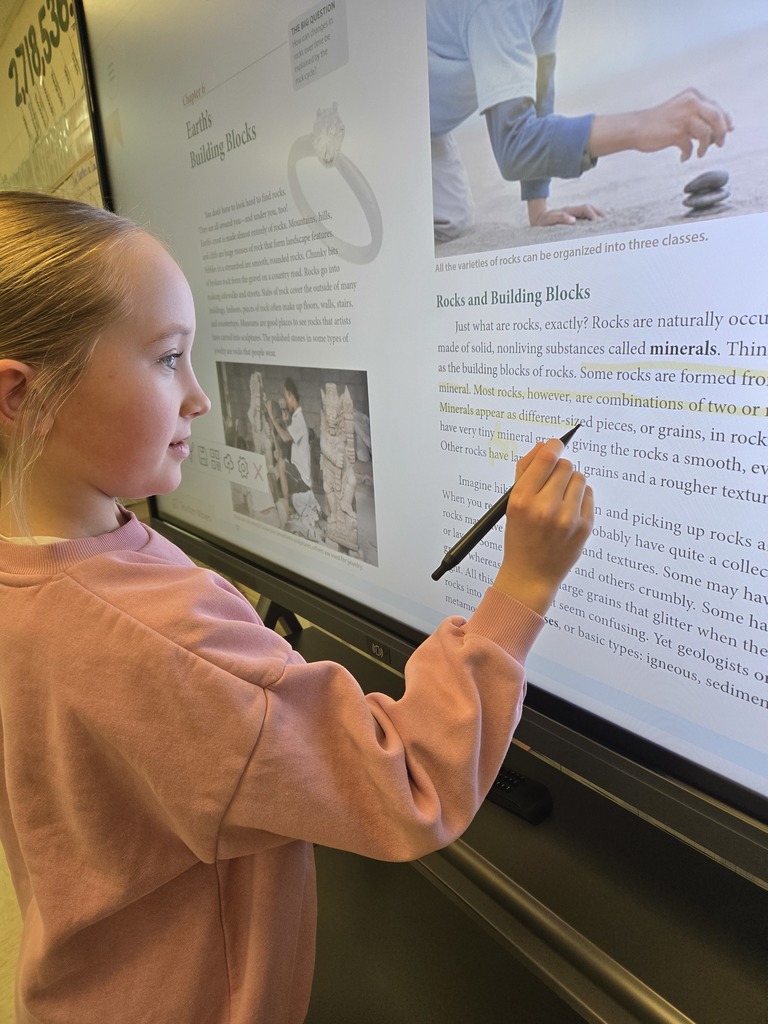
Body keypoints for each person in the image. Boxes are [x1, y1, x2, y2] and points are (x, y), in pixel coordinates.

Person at [0, 190, 593, 1024]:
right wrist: (522, 588)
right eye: (168, 358)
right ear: (20, 397)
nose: (200, 398)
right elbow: (409, 782)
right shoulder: (156, 635)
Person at [427, 0, 734, 239]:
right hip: (394, 117)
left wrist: (539, 206)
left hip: (432, 128)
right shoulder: (501, 5)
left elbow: (537, 89)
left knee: (452, 221)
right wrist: (641, 126)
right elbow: (514, 147)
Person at [267, 377, 316, 523]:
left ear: (290, 396)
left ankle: (286, 505)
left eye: (285, 397)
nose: (285, 401)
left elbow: (285, 437)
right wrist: (286, 422)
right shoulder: (296, 419)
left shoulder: (299, 420)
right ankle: (286, 502)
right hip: (299, 474)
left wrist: (272, 418)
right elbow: (291, 437)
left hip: (302, 480)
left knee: (282, 464)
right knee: (281, 464)